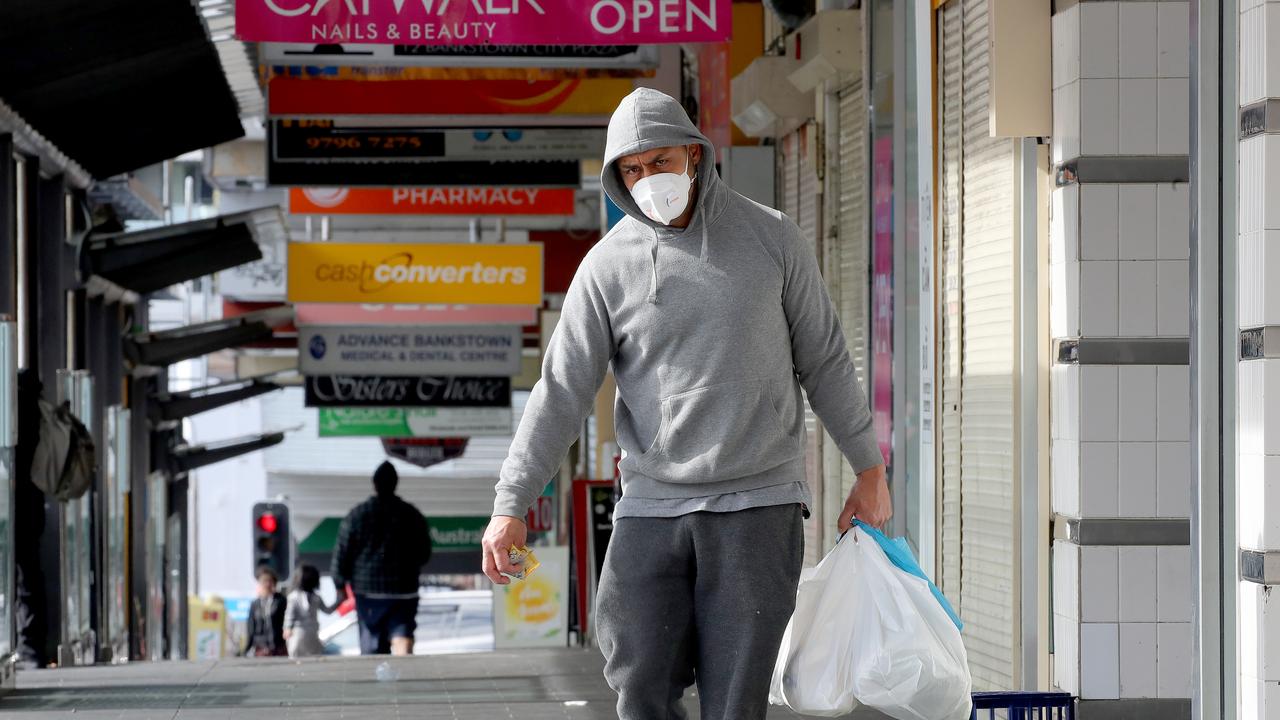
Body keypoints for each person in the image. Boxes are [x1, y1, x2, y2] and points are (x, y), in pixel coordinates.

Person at [482, 87, 891, 720]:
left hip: (758, 504)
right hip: (651, 506)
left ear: (694, 157)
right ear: (619, 177)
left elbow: (826, 359)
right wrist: (511, 504)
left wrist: (868, 467)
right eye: (634, 169)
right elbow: (560, 390)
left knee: (735, 701)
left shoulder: (773, 239)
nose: (649, 178)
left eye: (661, 160)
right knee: (639, 681)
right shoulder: (605, 269)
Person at [330, 461, 432, 656]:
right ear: (396, 483)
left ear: (374, 484)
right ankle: (404, 672)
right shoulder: (412, 514)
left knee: (372, 647)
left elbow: (341, 554)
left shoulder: (357, 516)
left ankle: (377, 682)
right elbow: (424, 553)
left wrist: (339, 585)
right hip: (404, 590)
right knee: (402, 633)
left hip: (368, 594)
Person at [284, 564, 340, 658]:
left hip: (308, 632)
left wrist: (287, 628)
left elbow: (289, 615)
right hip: (302, 632)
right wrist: (287, 627)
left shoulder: (310, 597)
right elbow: (328, 610)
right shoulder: (297, 597)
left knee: (306, 656)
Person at [244, 566, 287, 657]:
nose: (267, 584)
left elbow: (286, 621)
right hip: (260, 648)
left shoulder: (280, 601)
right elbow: (251, 628)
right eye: (264, 581)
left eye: (270, 581)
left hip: (278, 647)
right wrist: (247, 648)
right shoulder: (255, 604)